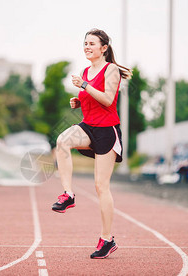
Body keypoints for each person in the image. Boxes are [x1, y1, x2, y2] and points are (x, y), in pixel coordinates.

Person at [51, 28, 131, 259]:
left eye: (92, 43)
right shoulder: (86, 70)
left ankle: (107, 239)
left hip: (107, 131)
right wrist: (79, 101)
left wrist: (85, 87)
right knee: (62, 141)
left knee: (100, 187)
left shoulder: (111, 69)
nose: (86, 47)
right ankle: (68, 194)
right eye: (85, 43)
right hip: (89, 126)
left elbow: (107, 99)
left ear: (104, 48)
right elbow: (93, 101)